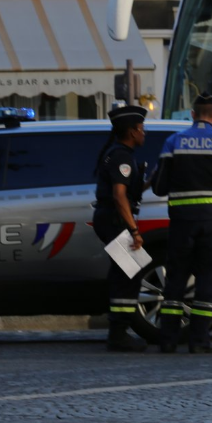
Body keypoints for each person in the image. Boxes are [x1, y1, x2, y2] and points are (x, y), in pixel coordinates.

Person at [151, 93, 212, 353]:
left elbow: (159, 187)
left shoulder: (173, 142)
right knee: (207, 278)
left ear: (192, 115)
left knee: (176, 279)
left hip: (181, 223)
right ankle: (199, 340)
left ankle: (168, 340)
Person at [93, 103, 150, 352]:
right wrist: (134, 231)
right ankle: (118, 334)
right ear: (132, 131)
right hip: (114, 220)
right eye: (142, 129)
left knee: (125, 272)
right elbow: (119, 195)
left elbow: (127, 189)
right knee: (130, 273)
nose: (144, 133)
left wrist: (150, 181)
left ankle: (118, 331)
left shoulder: (117, 152)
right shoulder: (122, 156)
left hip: (109, 219)